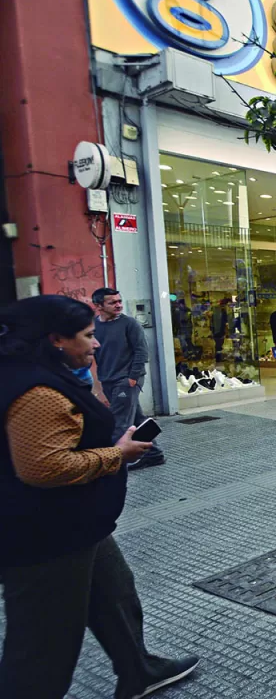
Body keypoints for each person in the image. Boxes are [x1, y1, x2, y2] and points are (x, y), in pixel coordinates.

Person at [0, 295, 199, 698]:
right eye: (87, 336)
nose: (95, 344)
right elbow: (44, 467)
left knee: (115, 595)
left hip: (80, 523)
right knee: (43, 642)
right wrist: (117, 454)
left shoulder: (42, 373)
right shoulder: (37, 391)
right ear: (55, 339)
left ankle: (138, 669)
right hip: (46, 536)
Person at [91, 288, 163, 470]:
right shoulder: (94, 326)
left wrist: (133, 377)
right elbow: (95, 354)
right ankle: (154, 454)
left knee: (119, 421)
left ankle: (116, 464)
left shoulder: (129, 324)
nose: (118, 305)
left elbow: (142, 351)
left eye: (119, 301)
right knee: (137, 418)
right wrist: (99, 383)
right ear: (99, 306)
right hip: (108, 379)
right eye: (112, 302)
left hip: (126, 380)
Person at [212, 297, 230, 362]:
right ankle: (218, 358)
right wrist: (226, 331)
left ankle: (218, 358)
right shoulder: (222, 312)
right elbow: (225, 322)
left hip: (217, 331)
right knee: (219, 345)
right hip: (219, 331)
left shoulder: (217, 311)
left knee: (218, 345)